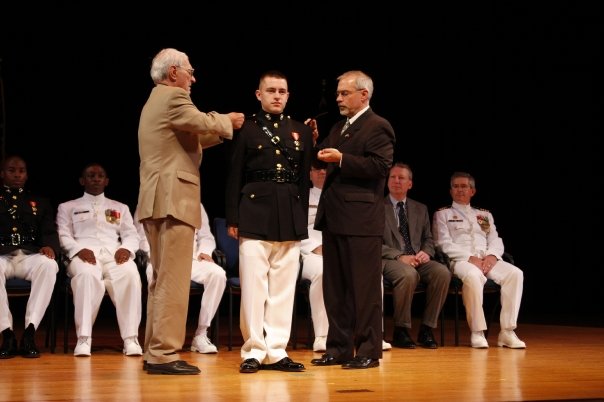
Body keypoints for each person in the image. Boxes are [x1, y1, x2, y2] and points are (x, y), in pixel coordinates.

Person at [137, 47, 244, 375]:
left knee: (161, 279)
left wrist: (221, 132)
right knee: (173, 279)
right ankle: (164, 355)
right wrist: (228, 121)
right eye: (189, 71)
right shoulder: (173, 97)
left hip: (157, 200)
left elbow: (189, 137)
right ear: (173, 73)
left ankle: (155, 349)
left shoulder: (156, 100)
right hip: (173, 200)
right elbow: (198, 121)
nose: (193, 78)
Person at [225, 70, 313, 374]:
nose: (277, 95)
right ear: (258, 94)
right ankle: (252, 350)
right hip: (254, 212)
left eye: (282, 91)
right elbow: (234, 175)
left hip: (288, 214)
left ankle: (276, 350)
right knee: (253, 288)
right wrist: (233, 217)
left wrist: (300, 218)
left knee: (283, 288)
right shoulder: (247, 129)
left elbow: (303, 182)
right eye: (271, 90)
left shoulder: (300, 130)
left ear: (288, 95)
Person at [310, 70, 395, 370]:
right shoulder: (340, 127)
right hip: (335, 219)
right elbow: (321, 157)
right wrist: (314, 142)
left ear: (364, 95)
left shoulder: (377, 126)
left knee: (364, 290)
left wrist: (343, 159)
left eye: (344, 93)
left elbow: (380, 165)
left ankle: (369, 350)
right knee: (337, 289)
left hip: (361, 220)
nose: (338, 98)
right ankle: (339, 347)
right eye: (338, 94)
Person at [301, 157, 393, 353]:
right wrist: (314, 246)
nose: (322, 172)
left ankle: (375, 335)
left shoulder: (338, 195)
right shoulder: (302, 197)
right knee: (322, 272)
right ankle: (323, 336)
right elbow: (295, 228)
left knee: (372, 276)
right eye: (317, 169)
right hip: (309, 253)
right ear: (309, 173)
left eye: (326, 168)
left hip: (340, 246)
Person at [56, 163, 143, 357]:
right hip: (83, 254)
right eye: (91, 175)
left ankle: (130, 338)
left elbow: (131, 234)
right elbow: (63, 234)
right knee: (87, 276)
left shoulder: (120, 207)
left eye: (100, 175)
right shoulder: (68, 207)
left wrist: (126, 249)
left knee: (130, 274)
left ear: (106, 181)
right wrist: (77, 250)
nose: (96, 179)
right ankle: (84, 338)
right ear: (82, 181)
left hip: (114, 254)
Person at [432, 171, 526, 349]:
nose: (460, 190)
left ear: (472, 191)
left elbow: (495, 239)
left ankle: (507, 331)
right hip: (460, 261)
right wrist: (469, 258)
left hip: (486, 260)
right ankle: (477, 332)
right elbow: (442, 244)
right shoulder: (443, 214)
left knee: (515, 274)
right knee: (474, 276)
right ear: (451, 191)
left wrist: (492, 256)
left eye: (464, 186)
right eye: (456, 186)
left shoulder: (483, 216)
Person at [133, 202, 226, 354]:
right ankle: (158, 337)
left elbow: (206, 235)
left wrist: (205, 251)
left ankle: (201, 334)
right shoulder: (149, 199)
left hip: (191, 259)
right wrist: (154, 254)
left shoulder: (193, 201)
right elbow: (141, 235)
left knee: (218, 274)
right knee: (153, 277)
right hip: (160, 258)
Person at [382, 162, 451, 349]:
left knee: (442, 273)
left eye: (401, 178)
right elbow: (372, 243)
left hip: (416, 258)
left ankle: (426, 329)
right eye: (392, 177)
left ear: (410, 184)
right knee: (407, 274)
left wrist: (426, 253)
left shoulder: (420, 208)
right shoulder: (376, 207)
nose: (396, 181)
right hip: (389, 260)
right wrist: (399, 256)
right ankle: (401, 330)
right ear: (387, 181)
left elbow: (428, 239)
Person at [0, 155, 59, 359]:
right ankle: (6, 333)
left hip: (29, 256)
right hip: (2, 256)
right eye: (11, 170)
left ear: (26, 175)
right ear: (2, 174)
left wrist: (50, 247)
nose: (17, 174)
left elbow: (49, 231)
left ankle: (29, 332)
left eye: (21, 170)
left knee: (50, 265)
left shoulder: (40, 202)